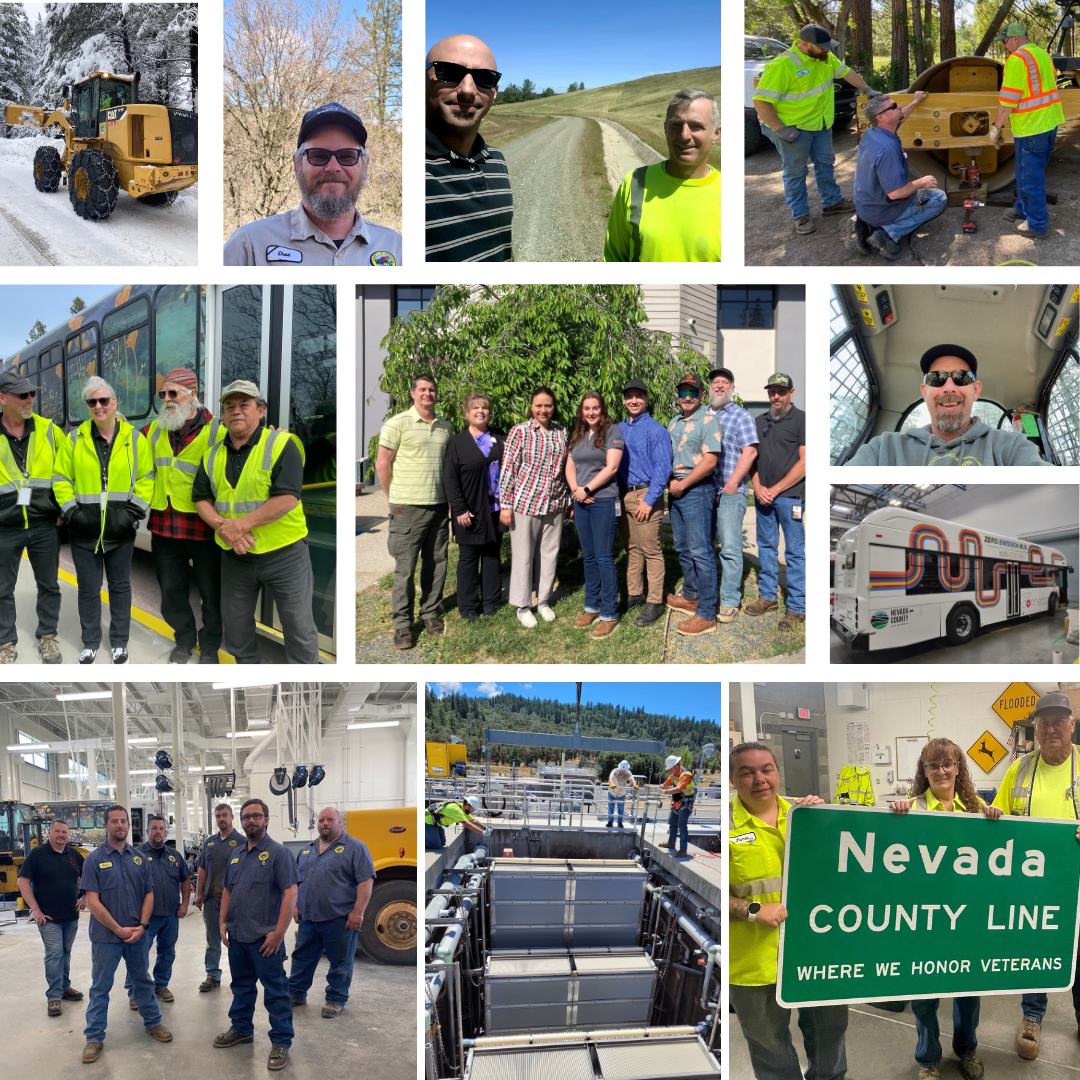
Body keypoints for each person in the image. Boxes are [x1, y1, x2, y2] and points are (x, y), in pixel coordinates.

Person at [728, 742, 847, 1080]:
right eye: (747, 773)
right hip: (753, 960)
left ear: (778, 773)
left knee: (831, 1032)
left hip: (817, 950)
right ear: (734, 780)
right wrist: (753, 910)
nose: (759, 779)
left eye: (766, 769)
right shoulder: (726, 828)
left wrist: (828, 822)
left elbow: (846, 869)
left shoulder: (806, 814)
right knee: (769, 1046)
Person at [889, 739, 1001, 1080]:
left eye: (947, 764)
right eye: (933, 765)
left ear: (958, 768)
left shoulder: (974, 807)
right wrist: (893, 818)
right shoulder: (911, 807)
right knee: (924, 994)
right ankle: (928, 1059)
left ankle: (967, 1051)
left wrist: (995, 817)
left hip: (967, 918)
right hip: (924, 919)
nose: (941, 771)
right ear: (924, 771)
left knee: (969, 989)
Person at [193, 380, 319, 664]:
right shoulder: (211, 455)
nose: (236, 411)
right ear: (223, 415)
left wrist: (238, 527)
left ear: (261, 411)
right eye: (230, 406)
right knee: (236, 629)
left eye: (244, 405)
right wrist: (225, 529)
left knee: (299, 629)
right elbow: (201, 498)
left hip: (285, 554)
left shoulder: (282, 444)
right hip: (236, 557)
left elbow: (287, 498)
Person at [992, 692, 1080, 1061]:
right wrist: (991, 816)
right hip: (1033, 883)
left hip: (1076, 880)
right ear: (1036, 728)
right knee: (1035, 950)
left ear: (1072, 724)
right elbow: (998, 813)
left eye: (1059, 721)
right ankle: (1032, 1017)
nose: (1052, 728)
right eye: (1044, 722)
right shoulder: (1019, 767)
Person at [53, 376, 154, 665]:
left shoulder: (135, 439)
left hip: (121, 531)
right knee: (88, 589)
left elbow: (147, 478)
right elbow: (61, 478)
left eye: (103, 400)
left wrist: (132, 514)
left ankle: (120, 642)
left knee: (120, 587)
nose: (98, 406)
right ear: (88, 406)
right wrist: (72, 513)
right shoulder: (75, 439)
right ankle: (90, 642)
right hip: (84, 531)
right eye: (92, 402)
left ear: (114, 403)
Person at [223, 103, 402, 266]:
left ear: (364, 165)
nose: (333, 167)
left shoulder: (398, 248)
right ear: (296, 164)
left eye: (347, 156)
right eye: (318, 155)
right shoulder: (249, 245)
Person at [753, 24, 876, 234]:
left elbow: (846, 73)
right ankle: (800, 216)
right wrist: (780, 129)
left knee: (825, 164)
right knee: (795, 173)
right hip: (794, 129)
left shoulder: (825, 58)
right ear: (805, 44)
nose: (827, 51)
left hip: (821, 124)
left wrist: (867, 89)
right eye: (821, 47)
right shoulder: (782, 65)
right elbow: (761, 101)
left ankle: (832, 202)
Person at [846, 344, 1053, 465]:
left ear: (976, 390)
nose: (949, 387)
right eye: (937, 378)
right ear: (925, 391)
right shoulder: (883, 448)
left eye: (961, 377)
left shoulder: (1011, 447)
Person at [143, 368, 226, 664]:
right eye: (162, 394)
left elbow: (248, 445)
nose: (166, 399)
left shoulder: (219, 429)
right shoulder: (153, 430)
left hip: (205, 527)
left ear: (193, 394)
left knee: (211, 594)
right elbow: (126, 448)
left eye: (173, 393)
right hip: (165, 527)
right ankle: (184, 639)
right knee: (171, 592)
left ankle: (210, 646)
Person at [79, 805, 172, 1063]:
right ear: (106, 825)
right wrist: (117, 929)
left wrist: (142, 927)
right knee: (101, 987)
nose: (120, 825)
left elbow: (148, 894)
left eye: (123, 821)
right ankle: (94, 1037)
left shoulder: (139, 858)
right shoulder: (94, 860)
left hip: (135, 935)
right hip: (106, 937)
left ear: (129, 826)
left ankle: (153, 1022)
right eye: (114, 821)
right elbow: (93, 901)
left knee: (143, 980)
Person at [215, 798, 298, 1072]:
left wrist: (278, 933)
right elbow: (228, 890)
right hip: (238, 937)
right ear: (242, 821)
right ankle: (242, 1029)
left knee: (275, 992)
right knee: (241, 987)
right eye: (247, 816)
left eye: (256, 816)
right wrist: (222, 921)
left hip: (266, 941)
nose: (251, 820)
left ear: (266, 820)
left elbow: (290, 893)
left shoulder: (278, 853)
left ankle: (281, 1041)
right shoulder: (237, 854)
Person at [377, 375, 453, 649]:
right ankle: (402, 624)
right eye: (422, 389)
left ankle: (430, 613)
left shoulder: (445, 427)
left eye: (432, 389)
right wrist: (390, 497)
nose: (428, 393)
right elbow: (383, 462)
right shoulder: (397, 423)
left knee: (436, 564)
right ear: (412, 393)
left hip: (438, 507)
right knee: (405, 569)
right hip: (407, 507)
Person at [604, 88, 721, 261]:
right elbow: (614, 258)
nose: (684, 135)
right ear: (665, 129)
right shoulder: (634, 183)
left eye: (696, 126)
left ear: (716, 134)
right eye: (676, 125)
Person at [425, 35, 513, 261]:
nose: (467, 90)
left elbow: (502, 244)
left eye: (484, 78)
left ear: (494, 91)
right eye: (449, 72)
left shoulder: (497, 161)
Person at [0, 369, 63, 663]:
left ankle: (48, 636)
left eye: (32, 394)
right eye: (22, 394)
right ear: (2, 398)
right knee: (2, 589)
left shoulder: (49, 430)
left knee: (49, 584)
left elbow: (70, 468)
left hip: (43, 525)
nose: (30, 399)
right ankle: (5, 642)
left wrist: (64, 507)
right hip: (5, 528)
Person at [288, 807, 376, 1017]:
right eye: (321, 820)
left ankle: (335, 999)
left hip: (340, 919)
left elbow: (366, 881)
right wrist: (296, 906)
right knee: (302, 958)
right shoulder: (307, 849)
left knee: (340, 962)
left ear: (340, 823)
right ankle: (296, 993)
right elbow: (298, 882)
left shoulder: (355, 848)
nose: (324, 823)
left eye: (329, 820)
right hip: (309, 918)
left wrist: (358, 913)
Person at [500, 387, 571, 628]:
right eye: (539, 405)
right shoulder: (520, 431)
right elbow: (508, 469)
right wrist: (505, 505)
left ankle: (543, 601)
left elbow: (565, 469)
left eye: (548, 405)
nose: (543, 410)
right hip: (525, 504)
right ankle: (522, 606)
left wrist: (568, 499)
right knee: (523, 555)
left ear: (553, 407)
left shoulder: (562, 432)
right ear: (531, 407)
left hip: (555, 503)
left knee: (549, 554)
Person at [992, 23, 1065, 239]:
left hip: (1031, 128)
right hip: (1049, 122)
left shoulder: (1017, 60)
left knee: (1030, 178)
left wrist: (997, 127)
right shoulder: (1042, 54)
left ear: (1015, 38)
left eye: (1005, 42)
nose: (1004, 46)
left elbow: (1008, 101)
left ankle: (1037, 224)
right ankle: (1023, 210)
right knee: (1026, 173)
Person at [855, 94, 947, 260]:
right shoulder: (887, 148)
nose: (898, 107)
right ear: (881, 116)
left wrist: (915, 101)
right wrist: (921, 181)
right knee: (939, 199)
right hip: (882, 209)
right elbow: (896, 193)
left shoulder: (874, 132)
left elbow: (900, 117)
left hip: (866, 205)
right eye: (894, 106)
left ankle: (864, 224)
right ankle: (888, 233)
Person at [665, 374, 721, 637]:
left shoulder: (709, 420)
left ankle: (707, 613)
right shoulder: (674, 422)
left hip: (696, 490)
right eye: (683, 392)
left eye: (693, 393)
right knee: (683, 548)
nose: (687, 397)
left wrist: (682, 484)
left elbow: (710, 461)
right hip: (675, 490)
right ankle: (691, 596)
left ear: (701, 396)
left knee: (701, 552)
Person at [442, 391, 506, 623]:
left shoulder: (499, 438)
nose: (481, 411)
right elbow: (450, 479)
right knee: (468, 558)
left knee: (491, 555)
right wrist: (459, 509)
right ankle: (468, 606)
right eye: (475, 408)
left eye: (485, 407)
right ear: (467, 413)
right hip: (469, 510)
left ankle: (491, 603)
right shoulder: (457, 443)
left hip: (496, 510)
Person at [747, 374, 805, 630]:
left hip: (789, 497)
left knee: (793, 552)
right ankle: (768, 596)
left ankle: (797, 607)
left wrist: (777, 489)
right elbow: (751, 458)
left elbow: (805, 463)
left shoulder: (802, 420)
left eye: (781, 391)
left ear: (791, 392)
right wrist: (758, 487)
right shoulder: (759, 421)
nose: (776, 396)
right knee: (766, 547)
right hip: (763, 497)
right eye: (772, 391)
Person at [566, 392, 625, 638]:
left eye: (595, 408)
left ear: (602, 410)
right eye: (586, 408)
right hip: (581, 500)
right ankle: (592, 606)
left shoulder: (613, 432)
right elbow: (570, 465)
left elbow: (612, 467)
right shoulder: (578, 434)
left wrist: (588, 489)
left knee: (603, 557)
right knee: (588, 557)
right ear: (581, 411)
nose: (591, 412)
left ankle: (609, 613)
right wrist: (576, 490)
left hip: (603, 500)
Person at [616, 379, 673, 629]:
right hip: (623, 495)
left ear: (646, 399)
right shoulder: (617, 429)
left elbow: (663, 468)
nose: (634, 400)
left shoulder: (656, 430)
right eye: (630, 396)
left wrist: (649, 500)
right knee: (632, 548)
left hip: (646, 494)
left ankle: (654, 601)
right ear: (624, 400)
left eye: (639, 396)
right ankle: (635, 594)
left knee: (650, 549)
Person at [705, 368, 758, 624]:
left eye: (725, 382)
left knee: (729, 548)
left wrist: (731, 485)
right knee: (702, 547)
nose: (720, 386)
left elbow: (749, 453)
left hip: (729, 492)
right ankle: (704, 593)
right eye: (716, 382)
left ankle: (728, 599)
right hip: (702, 492)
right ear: (710, 388)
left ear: (732, 389)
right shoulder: (700, 415)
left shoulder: (741, 416)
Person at [17, 818, 86, 1016]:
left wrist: (86, 899)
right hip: (48, 917)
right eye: (57, 832)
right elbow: (23, 882)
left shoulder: (74, 855)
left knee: (65, 952)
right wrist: (36, 910)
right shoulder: (37, 854)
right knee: (54, 954)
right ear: (49, 833)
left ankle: (64, 987)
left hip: (71, 915)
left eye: (65, 832)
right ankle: (54, 996)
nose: (61, 835)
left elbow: (91, 877)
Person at [124, 815, 190, 1008]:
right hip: (146, 918)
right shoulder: (136, 856)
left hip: (170, 914)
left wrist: (185, 903)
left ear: (165, 832)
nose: (158, 832)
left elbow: (185, 879)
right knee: (138, 953)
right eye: (154, 828)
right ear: (147, 832)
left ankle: (161, 985)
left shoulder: (174, 856)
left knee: (167, 952)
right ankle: (135, 991)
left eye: (161, 829)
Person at [194, 803, 245, 993]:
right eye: (218, 816)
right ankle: (213, 975)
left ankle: (239, 976)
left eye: (224, 815)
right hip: (211, 900)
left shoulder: (241, 842)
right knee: (212, 939)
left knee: (238, 940)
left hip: (235, 902)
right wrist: (199, 893)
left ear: (232, 817)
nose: (221, 819)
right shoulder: (210, 842)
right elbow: (202, 869)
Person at [658, 754, 697, 856]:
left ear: (675, 766)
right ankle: (671, 843)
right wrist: (656, 788)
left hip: (686, 802)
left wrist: (663, 792)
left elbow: (679, 788)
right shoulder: (674, 775)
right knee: (672, 822)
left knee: (682, 825)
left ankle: (683, 850)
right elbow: (666, 785)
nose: (669, 771)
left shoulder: (685, 774)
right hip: (678, 802)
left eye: (670, 769)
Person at [606, 761, 638, 828]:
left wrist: (634, 785)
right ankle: (610, 822)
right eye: (622, 770)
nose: (623, 771)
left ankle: (620, 822)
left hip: (621, 793)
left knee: (621, 809)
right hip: (612, 792)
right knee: (610, 808)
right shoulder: (615, 771)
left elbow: (632, 779)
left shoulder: (628, 773)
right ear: (619, 767)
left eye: (624, 770)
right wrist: (611, 783)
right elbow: (610, 777)